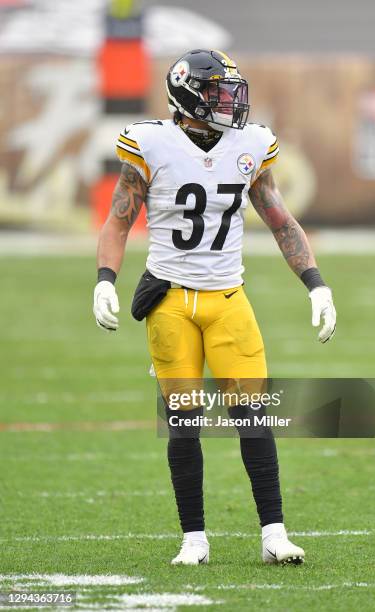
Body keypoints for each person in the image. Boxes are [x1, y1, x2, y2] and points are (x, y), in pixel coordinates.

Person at [93, 49, 336, 566]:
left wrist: (316, 283)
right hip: (170, 304)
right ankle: (194, 538)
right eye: (217, 92)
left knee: (254, 416)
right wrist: (104, 281)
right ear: (186, 96)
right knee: (184, 421)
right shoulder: (152, 143)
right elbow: (119, 219)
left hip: (229, 299)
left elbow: (279, 219)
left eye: (231, 90)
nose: (230, 101)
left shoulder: (250, 145)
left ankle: (274, 533)